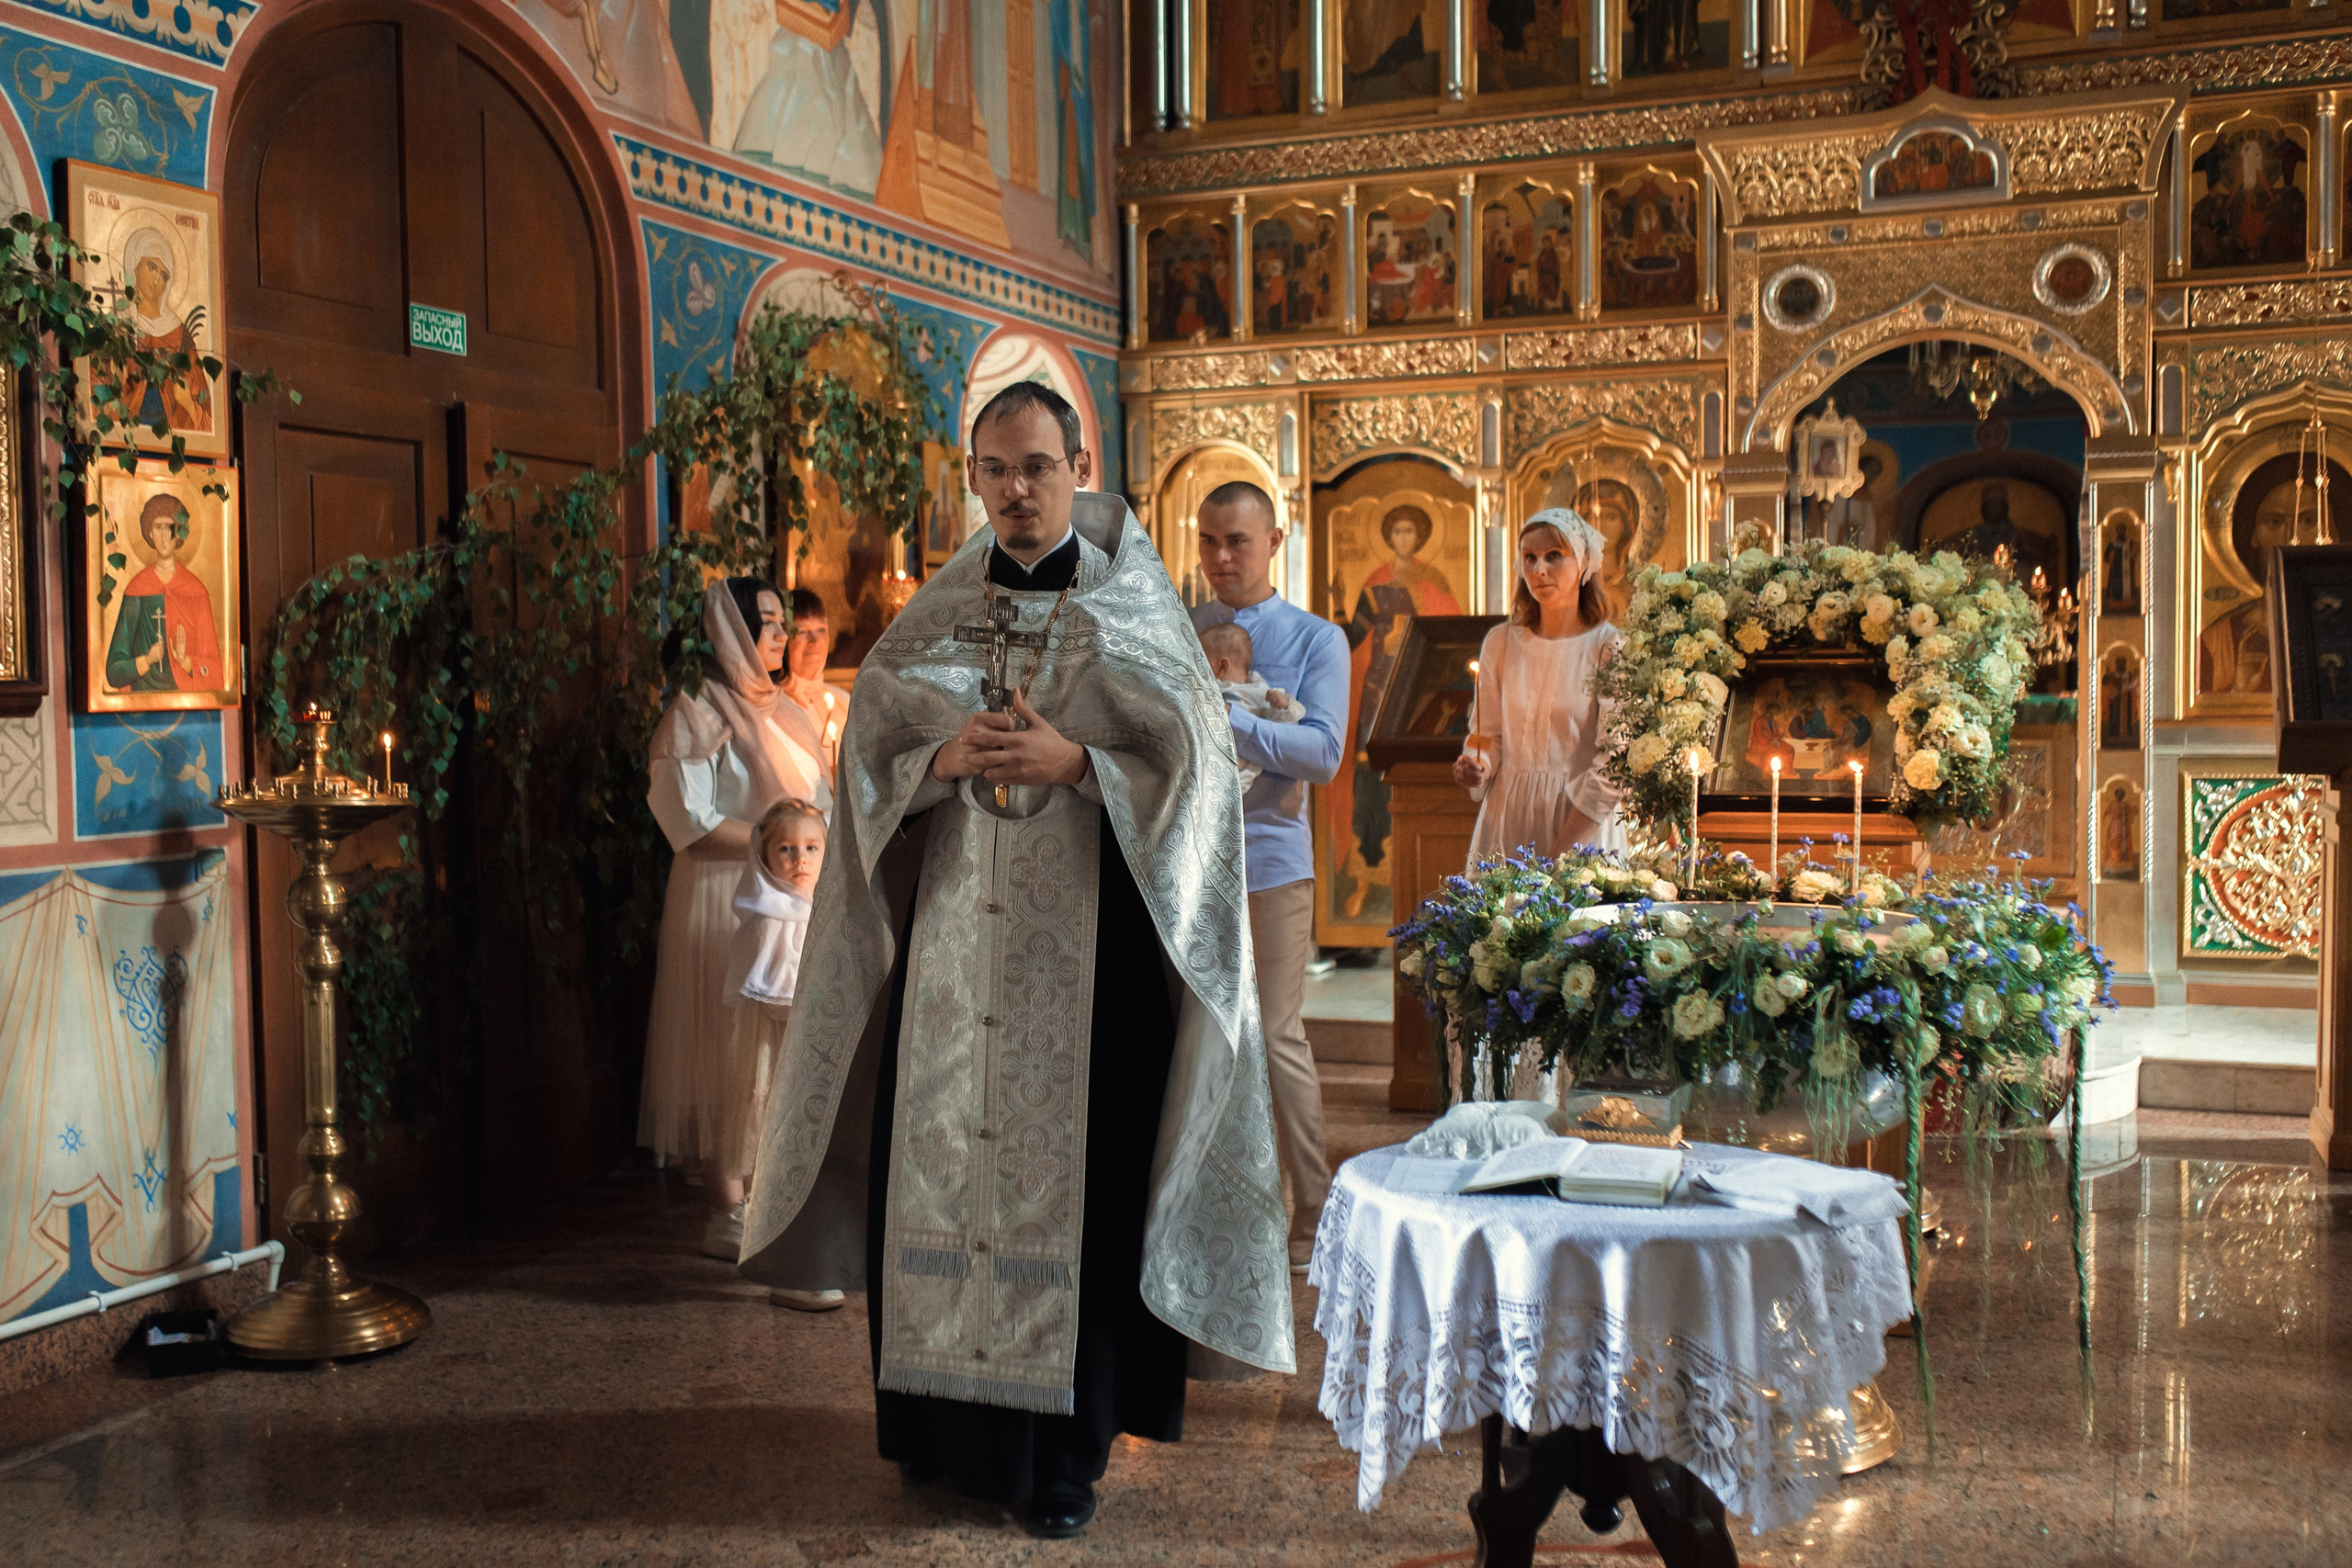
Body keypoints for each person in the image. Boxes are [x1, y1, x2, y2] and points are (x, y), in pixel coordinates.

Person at [740, 385, 1293, 1539]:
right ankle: (940, 1437)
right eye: (996, 470)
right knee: (938, 1162)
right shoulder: (944, 609)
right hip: (953, 960)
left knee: (1074, 1195)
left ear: (1077, 464)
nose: (1018, 491)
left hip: (1090, 967)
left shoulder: (1131, 605)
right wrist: (936, 754)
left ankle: (1064, 1463)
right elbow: (870, 753)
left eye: (1038, 467)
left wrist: (1082, 761)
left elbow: (1197, 776)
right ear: (974, 474)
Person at [641, 578, 831, 1261]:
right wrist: (775, 839)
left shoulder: (791, 710)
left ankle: (770, 1186)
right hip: (726, 894)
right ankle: (726, 1204)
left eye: (784, 624)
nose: (783, 638)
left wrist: (812, 851)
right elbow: (686, 820)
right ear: (733, 636)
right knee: (727, 1046)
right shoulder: (695, 710)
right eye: (769, 625)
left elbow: (820, 799)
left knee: (773, 1050)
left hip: (792, 895)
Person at [1190, 480, 1348, 1274]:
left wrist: (1232, 718)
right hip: (1182, 857)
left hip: (1271, 859)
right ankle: (1199, 1199)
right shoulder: (1178, 628)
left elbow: (1321, 754)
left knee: (1276, 1031)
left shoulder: (1317, 638)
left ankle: (1314, 1206)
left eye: (1237, 541)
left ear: (1275, 539)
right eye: (1208, 540)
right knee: (1194, 1033)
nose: (1220, 557)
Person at [1455, 508, 1627, 864]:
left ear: (1582, 562)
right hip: (1509, 819)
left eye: (1553, 556)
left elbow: (1615, 762)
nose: (1539, 570)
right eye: (1529, 558)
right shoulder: (1500, 642)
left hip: (1581, 825)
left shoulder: (1608, 647)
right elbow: (1486, 736)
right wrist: (1477, 765)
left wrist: (1560, 853)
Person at [723, 796, 839, 1313]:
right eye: (786, 848)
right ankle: (785, 1259)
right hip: (777, 1053)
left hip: (822, 1051)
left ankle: (815, 1254)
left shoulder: (833, 910)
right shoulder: (764, 919)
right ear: (764, 857)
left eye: (812, 847)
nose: (800, 859)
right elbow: (767, 994)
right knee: (778, 1140)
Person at [104, 493, 222, 694]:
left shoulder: (195, 590)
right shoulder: (138, 589)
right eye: (158, 527)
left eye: (170, 527)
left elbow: (217, 674)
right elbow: (114, 671)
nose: (165, 536)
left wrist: (186, 662)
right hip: (142, 697)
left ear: (179, 534)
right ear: (149, 533)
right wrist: (146, 660)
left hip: (186, 698)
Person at [1196, 613, 1307, 793]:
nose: (1196, 669)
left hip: (1239, 767)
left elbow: (1284, 728)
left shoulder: (1260, 692)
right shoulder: (1209, 686)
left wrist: (1282, 705)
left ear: (1223, 667)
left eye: (1200, 663)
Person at [777, 587, 854, 795]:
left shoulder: (844, 704)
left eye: (821, 630)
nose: (815, 642)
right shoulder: (772, 710)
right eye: (802, 632)